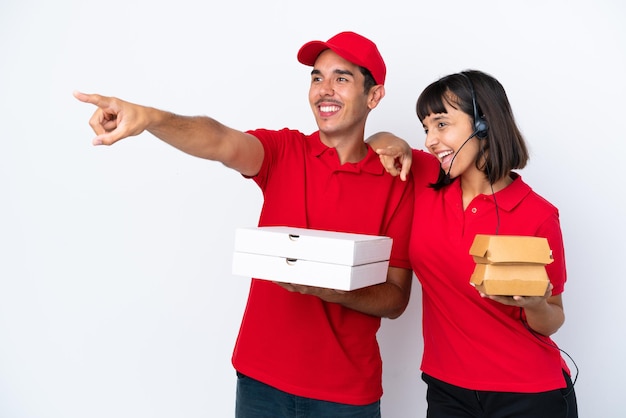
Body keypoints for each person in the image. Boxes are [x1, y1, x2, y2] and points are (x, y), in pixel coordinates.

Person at [74, 31, 414, 417]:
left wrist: (330, 289)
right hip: (260, 384)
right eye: (317, 78)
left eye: (341, 78)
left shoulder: (397, 176)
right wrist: (152, 119)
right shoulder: (284, 151)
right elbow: (220, 140)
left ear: (374, 96)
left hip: (346, 395)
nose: (324, 90)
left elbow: (395, 299)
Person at [368, 69, 578, 417]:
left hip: (528, 393)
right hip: (447, 390)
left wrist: (535, 304)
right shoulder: (424, 179)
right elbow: (375, 141)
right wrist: (398, 144)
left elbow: (554, 317)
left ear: (483, 125)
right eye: (425, 128)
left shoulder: (538, 215)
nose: (430, 141)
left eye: (441, 124)